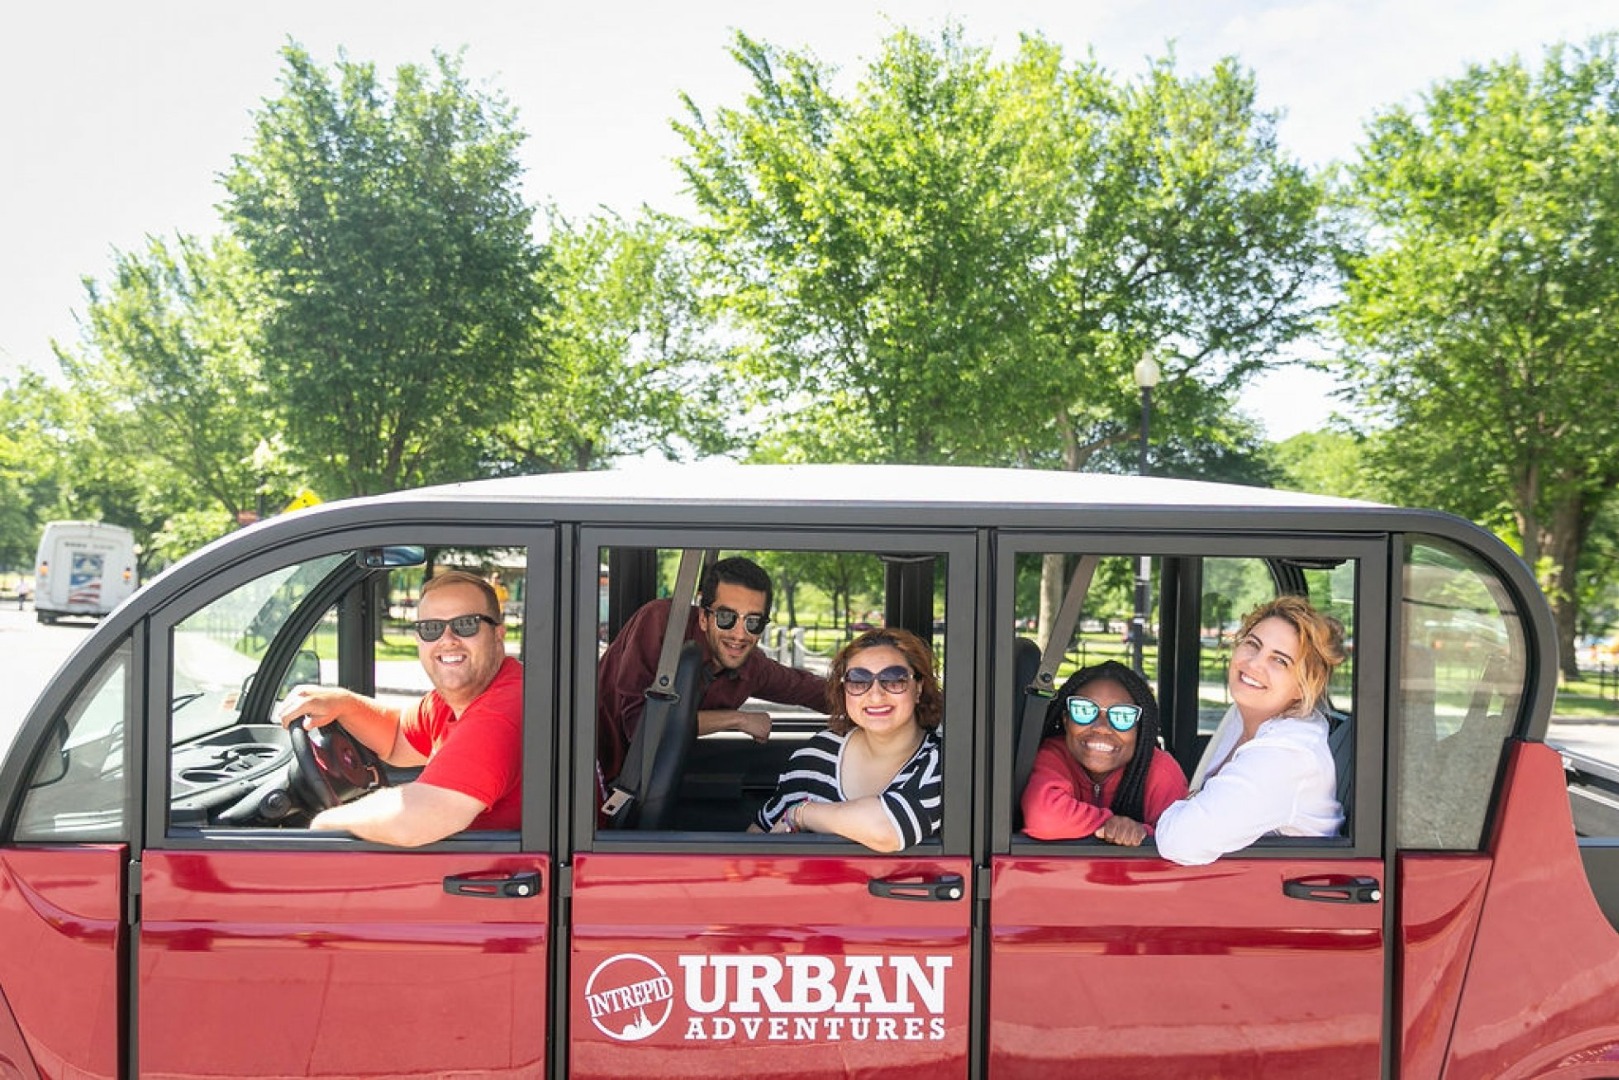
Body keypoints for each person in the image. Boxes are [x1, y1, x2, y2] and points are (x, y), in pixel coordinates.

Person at [276, 569, 522, 846]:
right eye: (431, 628)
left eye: (466, 624)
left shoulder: (501, 712)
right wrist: (341, 703)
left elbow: (414, 819)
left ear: (498, 634)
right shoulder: (458, 699)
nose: (447, 639)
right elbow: (396, 738)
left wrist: (323, 825)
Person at [596, 555, 826, 803]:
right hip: (585, 779)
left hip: (648, 790)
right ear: (704, 618)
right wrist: (737, 719)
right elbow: (639, 726)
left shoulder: (751, 666)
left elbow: (808, 689)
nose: (740, 634)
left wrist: (867, 688)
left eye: (754, 622)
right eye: (727, 617)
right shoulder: (661, 624)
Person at [1155, 595, 1346, 866]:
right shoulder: (1243, 713)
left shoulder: (1287, 756)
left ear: (1303, 687)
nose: (1254, 663)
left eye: (1279, 661)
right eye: (1252, 644)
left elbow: (1181, 842)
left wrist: (1167, 807)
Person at [753, 627, 943, 852]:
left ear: (918, 688)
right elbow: (758, 837)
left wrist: (801, 814)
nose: (875, 694)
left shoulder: (940, 761)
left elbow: (888, 829)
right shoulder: (815, 755)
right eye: (858, 680)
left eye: (894, 679)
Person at [1020, 659, 1188, 844]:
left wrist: (1141, 832)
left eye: (1122, 716)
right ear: (1066, 719)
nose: (1101, 727)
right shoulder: (1053, 754)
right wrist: (1112, 825)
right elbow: (1045, 818)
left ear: (1139, 729)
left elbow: (1179, 840)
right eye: (1083, 710)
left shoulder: (1160, 771)